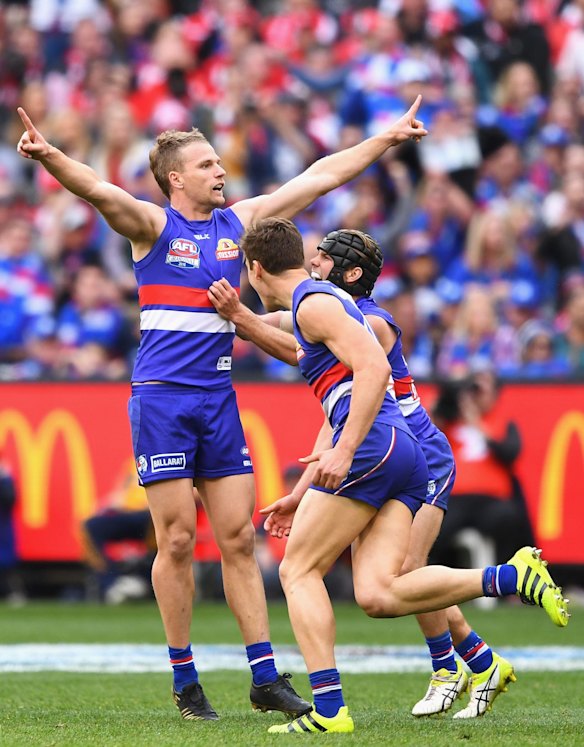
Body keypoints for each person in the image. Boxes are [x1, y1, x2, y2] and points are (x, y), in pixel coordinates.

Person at [15, 97, 428, 722]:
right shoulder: (153, 227)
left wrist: (386, 139)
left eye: (218, 162)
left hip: (217, 398)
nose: (219, 170)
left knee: (238, 538)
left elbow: (321, 176)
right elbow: (99, 190)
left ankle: (264, 676)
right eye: (206, 164)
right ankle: (186, 681)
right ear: (175, 178)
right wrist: (50, 157)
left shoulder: (242, 224)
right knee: (176, 540)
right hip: (162, 401)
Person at [233, 216, 568, 735]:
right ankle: (511, 578)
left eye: (325, 256)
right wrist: (235, 314)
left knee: (297, 571)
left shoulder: (317, 304)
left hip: (379, 444)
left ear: (255, 268)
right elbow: (291, 346)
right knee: (379, 593)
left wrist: (344, 451)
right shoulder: (318, 307)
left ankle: (331, 709)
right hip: (401, 449)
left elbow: (373, 370)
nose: (317, 261)